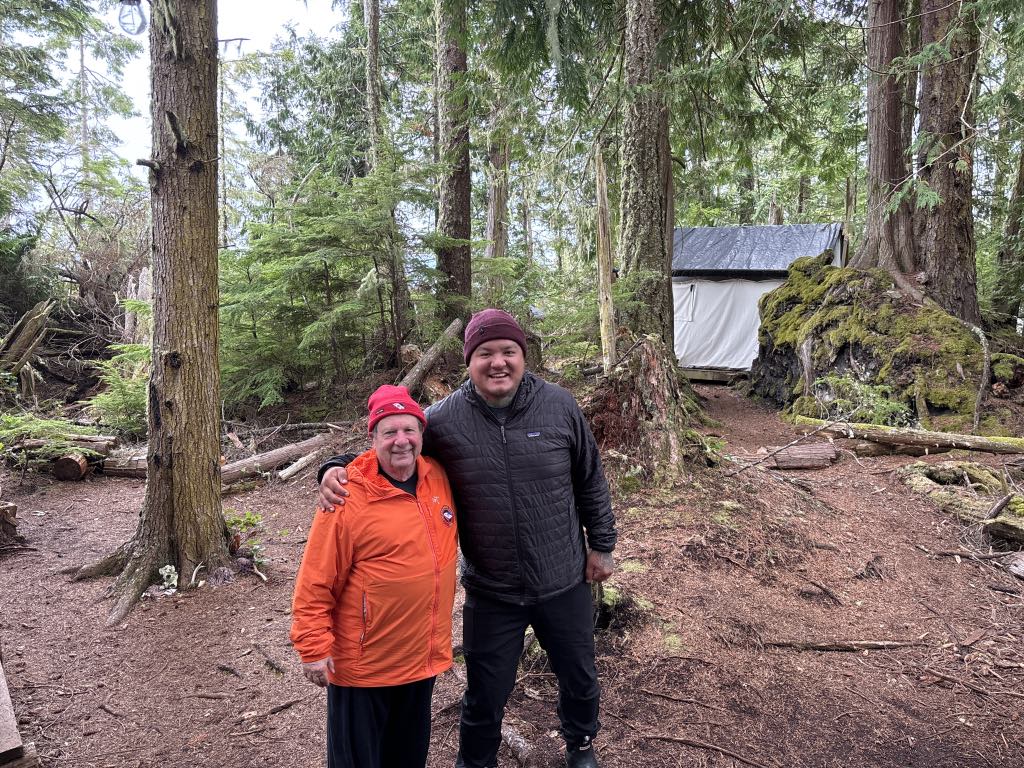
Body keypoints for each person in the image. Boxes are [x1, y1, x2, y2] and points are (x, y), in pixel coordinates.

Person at [317, 309, 617, 768]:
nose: (498, 363)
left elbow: (590, 479)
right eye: (485, 354)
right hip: (492, 590)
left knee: (579, 677)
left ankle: (581, 747)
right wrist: (332, 467)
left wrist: (602, 544)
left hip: (563, 579)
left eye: (508, 352)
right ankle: (475, 763)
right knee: (484, 693)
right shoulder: (444, 420)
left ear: (522, 356)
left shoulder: (559, 406)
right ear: (469, 361)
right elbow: (394, 444)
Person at [291, 384, 458, 768]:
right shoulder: (347, 494)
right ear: (373, 438)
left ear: (422, 434)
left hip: (420, 659)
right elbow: (316, 578)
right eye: (390, 432)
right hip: (364, 667)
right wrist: (313, 647)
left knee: (407, 758)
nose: (402, 441)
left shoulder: (439, 478)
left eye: (410, 430)